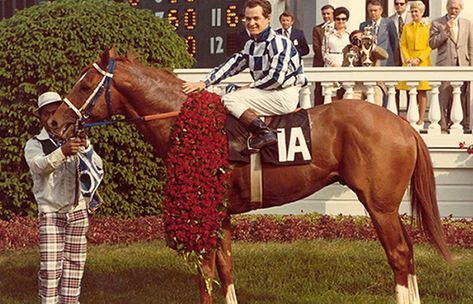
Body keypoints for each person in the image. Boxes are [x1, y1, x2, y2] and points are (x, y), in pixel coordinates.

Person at [182, 0, 307, 151]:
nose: (251, 23)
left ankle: (264, 132)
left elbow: (276, 79)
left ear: (268, 18)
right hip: (268, 92)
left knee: (229, 98)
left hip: (283, 94)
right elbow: (231, 65)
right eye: (248, 19)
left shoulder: (279, 43)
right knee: (226, 90)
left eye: (256, 18)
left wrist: (248, 87)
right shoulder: (251, 45)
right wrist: (204, 82)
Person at [24, 92, 103, 304]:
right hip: (51, 213)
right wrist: (63, 152)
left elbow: (97, 168)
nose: (51, 117)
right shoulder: (35, 144)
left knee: (74, 266)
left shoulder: (75, 140)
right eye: (47, 113)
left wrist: (87, 149)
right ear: (40, 117)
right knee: (50, 269)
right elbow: (39, 166)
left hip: (78, 212)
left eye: (55, 111)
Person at [429, 0, 473, 131]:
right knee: (443, 97)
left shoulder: (467, 23)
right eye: (451, 8)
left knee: (463, 97)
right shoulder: (437, 23)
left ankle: (465, 126)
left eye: (456, 9)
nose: (453, 11)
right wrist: (445, 30)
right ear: (447, 7)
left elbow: (470, 46)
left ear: (461, 9)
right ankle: (443, 126)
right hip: (445, 64)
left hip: (463, 65)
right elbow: (432, 44)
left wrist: (471, 66)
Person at [397, 1, 432, 128]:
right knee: (408, 90)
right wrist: (408, 59)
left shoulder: (428, 26)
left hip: (422, 62)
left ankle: (421, 119)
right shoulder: (407, 27)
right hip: (409, 62)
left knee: (422, 90)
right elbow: (403, 44)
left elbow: (430, 46)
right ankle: (409, 117)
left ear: (422, 12)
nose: (414, 13)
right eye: (412, 11)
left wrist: (419, 59)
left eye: (416, 11)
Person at [342, 30, 388, 105]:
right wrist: (354, 55)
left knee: (376, 99)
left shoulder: (371, 47)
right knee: (348, 100)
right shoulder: (348, 49)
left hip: (374, 83)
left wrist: (370, 45)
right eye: (355, 39)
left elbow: (385, 56)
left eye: (361, 37)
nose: (359, 40)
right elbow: (345, 66)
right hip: (358, 84)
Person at [359, 0, 399, 67]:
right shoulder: (363, 25)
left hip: (386, 62)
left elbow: (394, 43)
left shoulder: (389, 23)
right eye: (370, 11)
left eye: (375, 10)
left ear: (381, 11)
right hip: (370, 62)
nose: (373, 13)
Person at [312, 4, 334, 106]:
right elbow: (316, 47)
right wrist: (326, 59)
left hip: (335, 64)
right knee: (319, 90)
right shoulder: (317, 29)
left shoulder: (338, 27)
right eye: (324, 14)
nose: (326, 16)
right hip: (320, 63)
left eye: (328, 14)